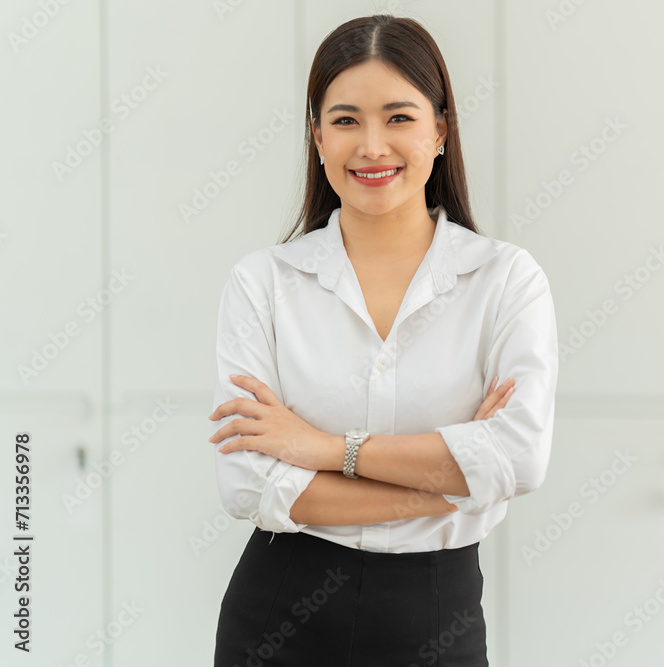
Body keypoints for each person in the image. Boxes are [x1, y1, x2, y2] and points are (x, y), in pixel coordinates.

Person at [208, 13, 559, 666]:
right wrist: (448, 481)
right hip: (278, 616)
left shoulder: (504, 280)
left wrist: (321, 448)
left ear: (441, 129)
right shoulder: (263, 282)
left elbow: (518, 459)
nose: (372, 145)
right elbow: (249, 485)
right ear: (316, 135)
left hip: (437, 614)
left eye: (399, 117)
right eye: (345, 120)